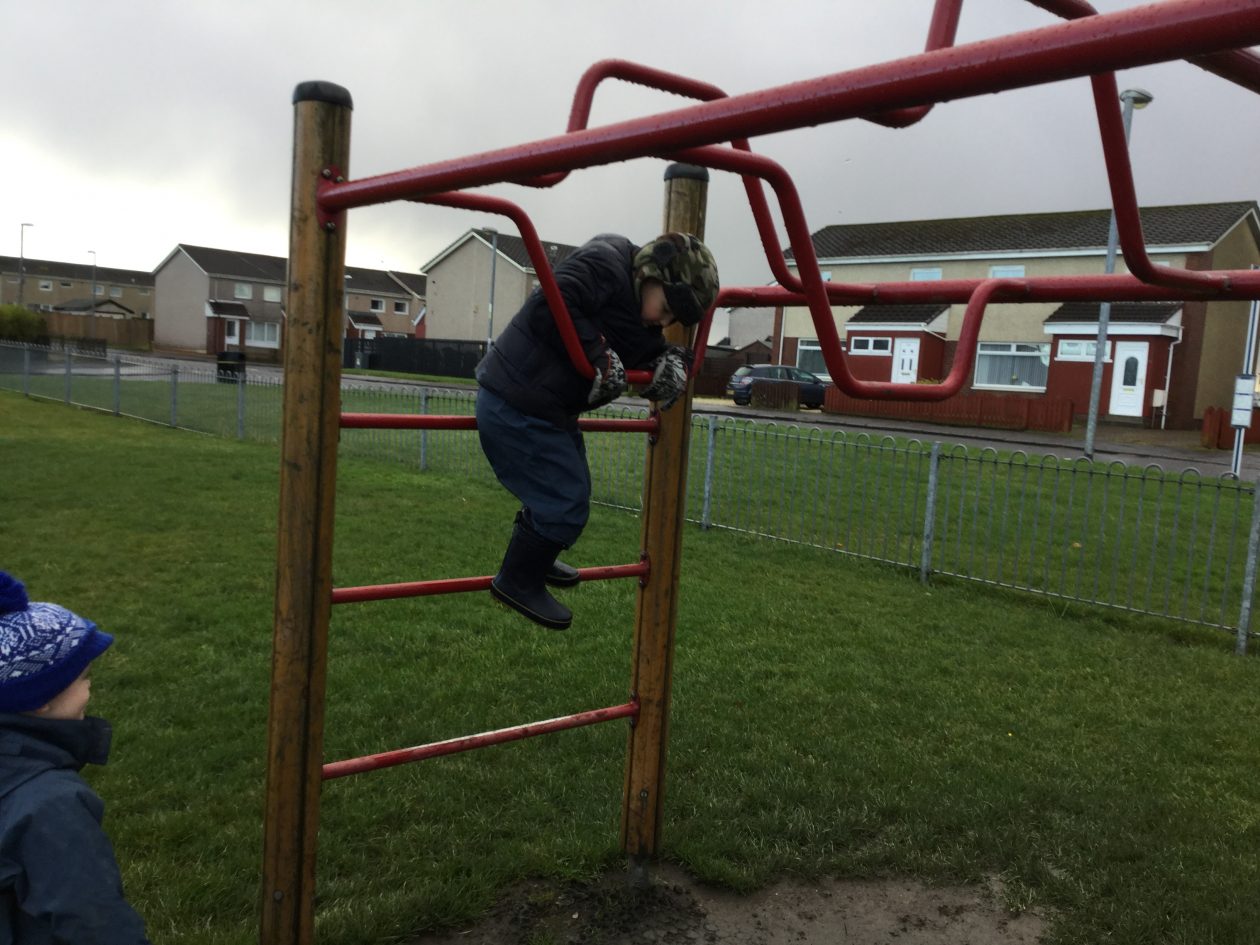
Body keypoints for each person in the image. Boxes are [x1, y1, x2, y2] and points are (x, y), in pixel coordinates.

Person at [476, 232, 719, 630]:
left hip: (546, 410)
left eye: (674, 320)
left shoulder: (639, 314)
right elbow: (550, 304)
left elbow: (642, 348)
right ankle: (517, 580)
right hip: (514, 401)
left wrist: (674, 360)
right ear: (651, 274)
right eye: (666, 309)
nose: (664, 321)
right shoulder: (604, 264)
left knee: (573, 490)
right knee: (564, 500)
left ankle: (535, 559)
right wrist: (597, 352)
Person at [0, 571, 151, 944]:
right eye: (84, 677)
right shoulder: (51, 806)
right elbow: (97, 923)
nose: (90, 689)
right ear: (40, 698)